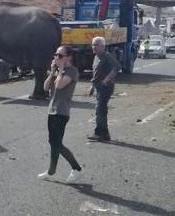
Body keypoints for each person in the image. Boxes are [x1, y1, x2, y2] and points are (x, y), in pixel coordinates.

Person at [38, 46, 84, 183]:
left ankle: (77, 169)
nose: (56, 58)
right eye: (55, 55)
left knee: (56, 143)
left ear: (68, 57)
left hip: (62, 112)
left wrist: (62, 69)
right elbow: (45, 87)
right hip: (52, 110)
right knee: (53, 143)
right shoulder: (57, 71)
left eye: (59, 55)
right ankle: (51, 171)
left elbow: (59, 85)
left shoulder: (72, 71)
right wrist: (52, 72)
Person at [88, 36, 120, 141]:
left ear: (102, 46)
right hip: (98, 86)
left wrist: (106, 79)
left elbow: (117, 67)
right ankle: (104, 134)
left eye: (96, 45)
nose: (93, 47)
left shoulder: (106, 56)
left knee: (100, 110)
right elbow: (96, 73)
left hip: (105, 87)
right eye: (93, 44)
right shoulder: (96, 57)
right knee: (100, 110)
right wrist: (92, 87)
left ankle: (100, 133)